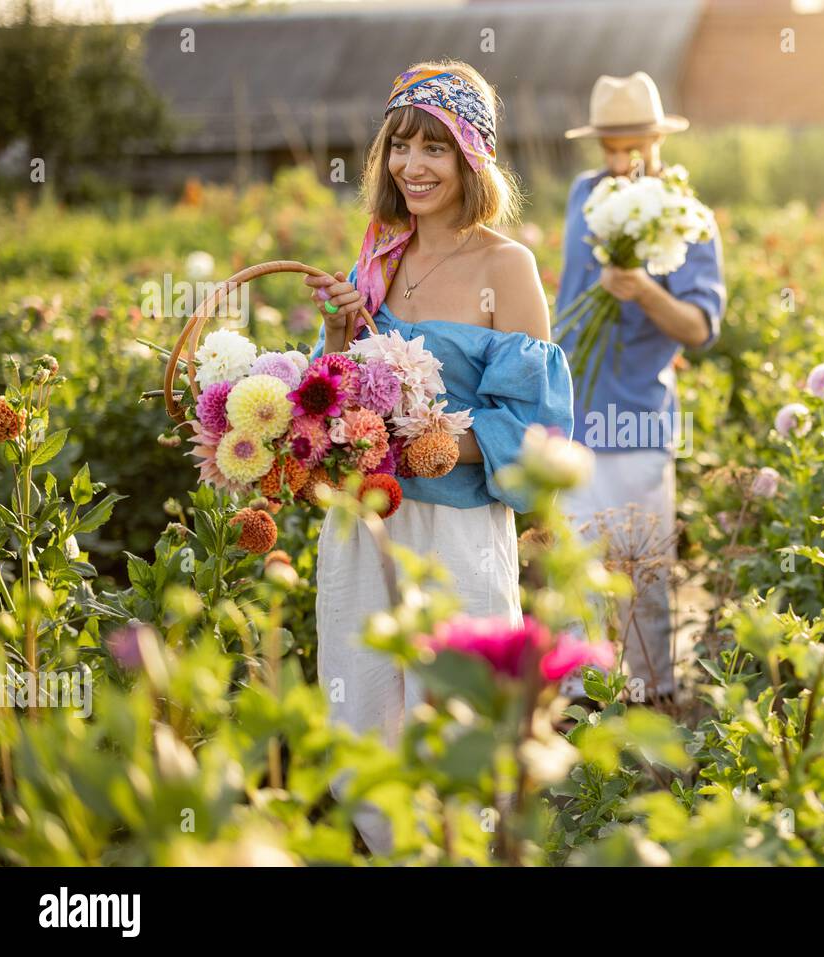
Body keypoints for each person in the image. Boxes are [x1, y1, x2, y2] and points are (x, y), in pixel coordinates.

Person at [304, 60, 574, 855]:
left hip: (456, 534)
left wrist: (435, 445)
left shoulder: (506, 267)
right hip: (369, 531)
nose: (412, 167)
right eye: (399, 147)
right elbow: (331, 390)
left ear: (472, 158)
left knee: (463, 717)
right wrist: (335, 339)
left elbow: (537, 423)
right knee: (368, 716)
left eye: (436, 149)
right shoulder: (376, 263)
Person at [555, 72, 726, 705]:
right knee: (573, 574)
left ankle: (652, 702)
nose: (622, 161)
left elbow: (701, 328)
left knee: (640, 575)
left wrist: (644, 290)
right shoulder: (581, 195)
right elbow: (570, 295)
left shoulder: (689, 217)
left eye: (635, 147)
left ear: (658, 139)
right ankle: (580, 707)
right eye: (611, 148)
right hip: (571, 412)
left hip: (636, 421)